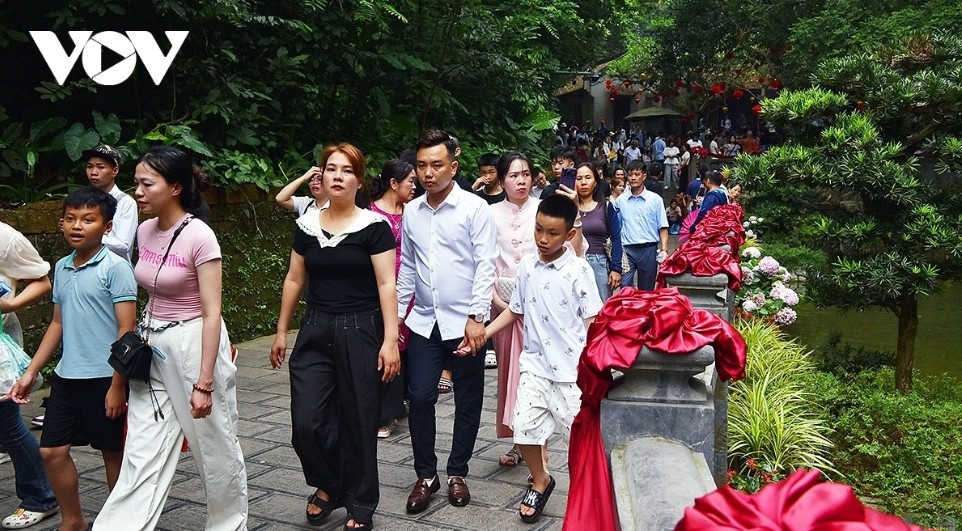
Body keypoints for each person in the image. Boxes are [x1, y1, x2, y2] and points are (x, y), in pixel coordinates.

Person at [95, 146, 248, 531]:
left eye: (147, 184)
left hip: (194, 343)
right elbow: (149, 291)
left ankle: (228, 525)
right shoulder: (144, 230)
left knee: (215, 449)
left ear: (176, 187)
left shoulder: (200, 235)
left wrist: (204, 382)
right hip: (153, 345)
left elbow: (212, 312)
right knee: (141, 449)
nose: (139, 192)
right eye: (137, 183)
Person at [270, 143, 399, 530]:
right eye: (331, 169)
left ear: (359, 180)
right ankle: (329, 483)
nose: (337, 176)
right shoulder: (307, 225)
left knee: (359, 420)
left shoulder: (374, 227)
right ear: (321, 177)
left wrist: (390, 340)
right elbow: (295, 278)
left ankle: (360, 502)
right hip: (315, 328)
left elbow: (386, 283)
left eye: (346, 170)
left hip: (360, 330)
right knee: (307, 422)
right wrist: (280, 331)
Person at [9, 187, 136, 531]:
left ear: (107, 227)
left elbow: (127, 332)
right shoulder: (62, 267)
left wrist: (117, 385)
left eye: (88, 219)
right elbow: (58, 323)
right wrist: (31, 372)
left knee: (113, 455)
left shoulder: (116, 268)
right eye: (70, 219)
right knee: (51, 451)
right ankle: (74, 520)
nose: (77, 226)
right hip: (67, 378)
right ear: (61, 223)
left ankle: (121, 522)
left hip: (104, 378)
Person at [471, 195, 603, 523]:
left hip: (572, 373)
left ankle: (587, 492)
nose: (543, 239)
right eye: (539, 230)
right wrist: (484, 334)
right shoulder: (528, 265)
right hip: (534, 365)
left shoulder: (578, 270)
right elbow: (517, 309)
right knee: (524, 430)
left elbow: (593, 322)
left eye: (552, 233)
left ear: (570, 234)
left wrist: (600, 365)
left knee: (579, 439)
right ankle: (541, 479)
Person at [397, 129, 497, 514]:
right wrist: (395, 318)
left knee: (468, 400)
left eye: (436, 164)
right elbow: (407, 266)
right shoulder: (412, 211)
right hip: (423, 322)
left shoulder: (475, 209)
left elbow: (485, 264)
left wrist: (477, 317)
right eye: (421, 165)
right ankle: (426, 475)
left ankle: (457, 472)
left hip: (466, 323)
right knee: (420, 396)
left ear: (453, 167)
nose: (428, 172)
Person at [0, 222, 59, 530]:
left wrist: (10, 304)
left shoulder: (6, 239)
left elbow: (41, 280)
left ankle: (41, 497)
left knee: (6, 425)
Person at [367, 159, 417, 439]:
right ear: (393, 183)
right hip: (381, 288)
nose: (415, 185)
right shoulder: (370, 214)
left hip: (410, 289)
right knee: (386, 343)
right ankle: (385, 411)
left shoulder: (415, 213)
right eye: (410, 180)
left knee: (407, 347)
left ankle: (402, 402)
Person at [613, 160, 669, 291]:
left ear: (644, 176)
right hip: (627, 250)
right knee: (625, 288)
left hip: (648, 249)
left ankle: (644, 312)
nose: (633, 177)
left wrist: (664, 249)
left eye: (637, 174)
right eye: (630, 174)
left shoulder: (655, 200)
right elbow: (615, 226)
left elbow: (663, 226)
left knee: (646, 290)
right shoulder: (620, 200)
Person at [574, 162, 623, 301]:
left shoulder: (606, 206)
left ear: (596, 182)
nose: (583, 182)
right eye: (579, 178)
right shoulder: (566, 208)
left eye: (588, 178)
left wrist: (616, 269)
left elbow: (616, 238)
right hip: (572, 263)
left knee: (601, 310)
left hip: (599, 262)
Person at [82, 145, 137, 261]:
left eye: (101, 167)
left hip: (114, 269)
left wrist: (87, 235)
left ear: (115, 171)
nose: (93, 172)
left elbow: (123, 245)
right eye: (89, 166)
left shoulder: (126, 203)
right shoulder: (83, 201)